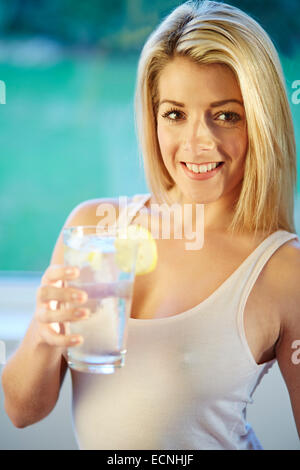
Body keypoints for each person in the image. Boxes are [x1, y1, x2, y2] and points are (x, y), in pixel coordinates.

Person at [1, 0, 300, 450]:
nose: (198, 142)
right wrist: (44, 334)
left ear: (260, 121)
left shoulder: (282, 271)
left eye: (226, 115)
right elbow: (22, 412)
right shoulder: (92, 232)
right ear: (153, 117)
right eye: (175, 114)